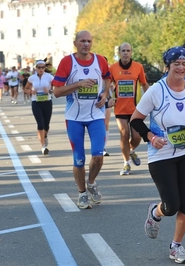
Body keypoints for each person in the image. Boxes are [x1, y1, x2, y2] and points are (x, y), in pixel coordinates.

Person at [130, 46, 185, 264]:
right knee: (171, 205)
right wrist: (150, 137)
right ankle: (156, 213)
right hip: (161, 154)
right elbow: (136, 120)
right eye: (177, 64)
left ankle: (176, 246)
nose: (182, 67)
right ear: (168, 66)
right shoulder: (156, 90)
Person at [52, 30, 112, 209]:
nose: (86, 44)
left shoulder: (100, 60)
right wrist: (79, 84)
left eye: (89, 41)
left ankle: (91, 183)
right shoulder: (67, 62)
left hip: (96, 116)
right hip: (74, 117)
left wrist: (105, 93)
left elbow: (107, 78)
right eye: (83, 41)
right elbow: (56, 92)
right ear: (75, 43)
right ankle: (82, 193)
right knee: (79, 159)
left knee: (98, 155)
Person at [109, 42, 149, 175]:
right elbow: (107, 86)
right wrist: (108, 97)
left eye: (128, 51)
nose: (126, 53)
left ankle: (131, 150)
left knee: (137, 137)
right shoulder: (113, 68)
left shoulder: (138, 67)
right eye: (123, 51)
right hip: (120, 108)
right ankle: (126, 163)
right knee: (124, 133)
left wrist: (152, 100)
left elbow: (144, 84)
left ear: (131, 53)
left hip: (135, 108)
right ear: (119, 53)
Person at [24, 60, 54, 155]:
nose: (41, 69)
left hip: (47, 102)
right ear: (36, 68)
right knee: (40, 124)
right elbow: (25, 88)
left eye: (43, 67)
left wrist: (49, 91)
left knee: (46, 125)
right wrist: (30, 92)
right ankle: (43, 146)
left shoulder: (49, 77)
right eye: (39, 67)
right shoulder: (32, 78)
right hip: (36, 102)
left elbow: (57, 88)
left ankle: (44, 136)